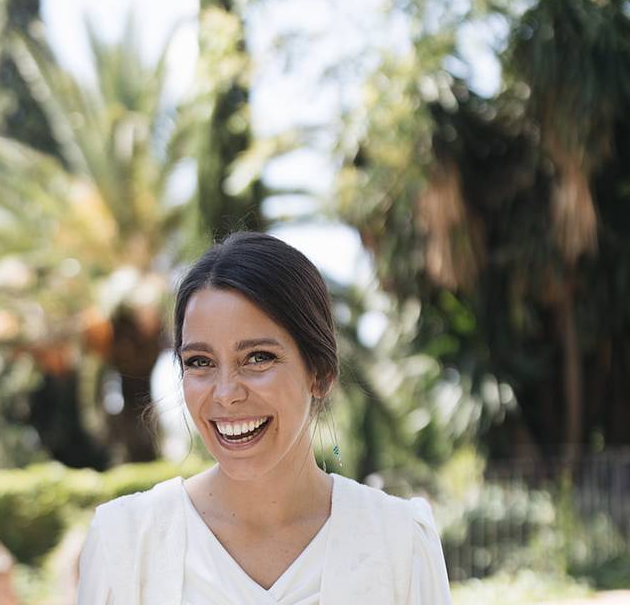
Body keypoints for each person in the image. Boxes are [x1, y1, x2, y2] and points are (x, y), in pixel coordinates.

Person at [77, 231, 452, 604]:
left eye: (258, 357)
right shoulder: (126, 545)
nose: (226, 393)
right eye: (200, 362)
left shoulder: (400, 543)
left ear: (320, 372)